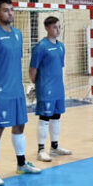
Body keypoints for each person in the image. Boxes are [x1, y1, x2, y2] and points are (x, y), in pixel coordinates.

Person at [0, 0, 41, 186]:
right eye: (6, 10)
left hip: (17, 89)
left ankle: (21, 164)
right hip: (0, 91)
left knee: (20, 125)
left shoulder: (18, 34)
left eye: (11, 10)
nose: (10, 13)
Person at [29, 16, 72, 161]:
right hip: (45, 88)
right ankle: (41, 149)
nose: (58, 30)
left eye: (59, 27)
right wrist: (38, 85)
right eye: (55, 27)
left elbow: (59, 67)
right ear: (47, 28)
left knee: (56, 117)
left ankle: (54, 147)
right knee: (44, 118)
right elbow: (33, 70)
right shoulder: (41, 47)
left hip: (58, 88)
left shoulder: (61, 46)